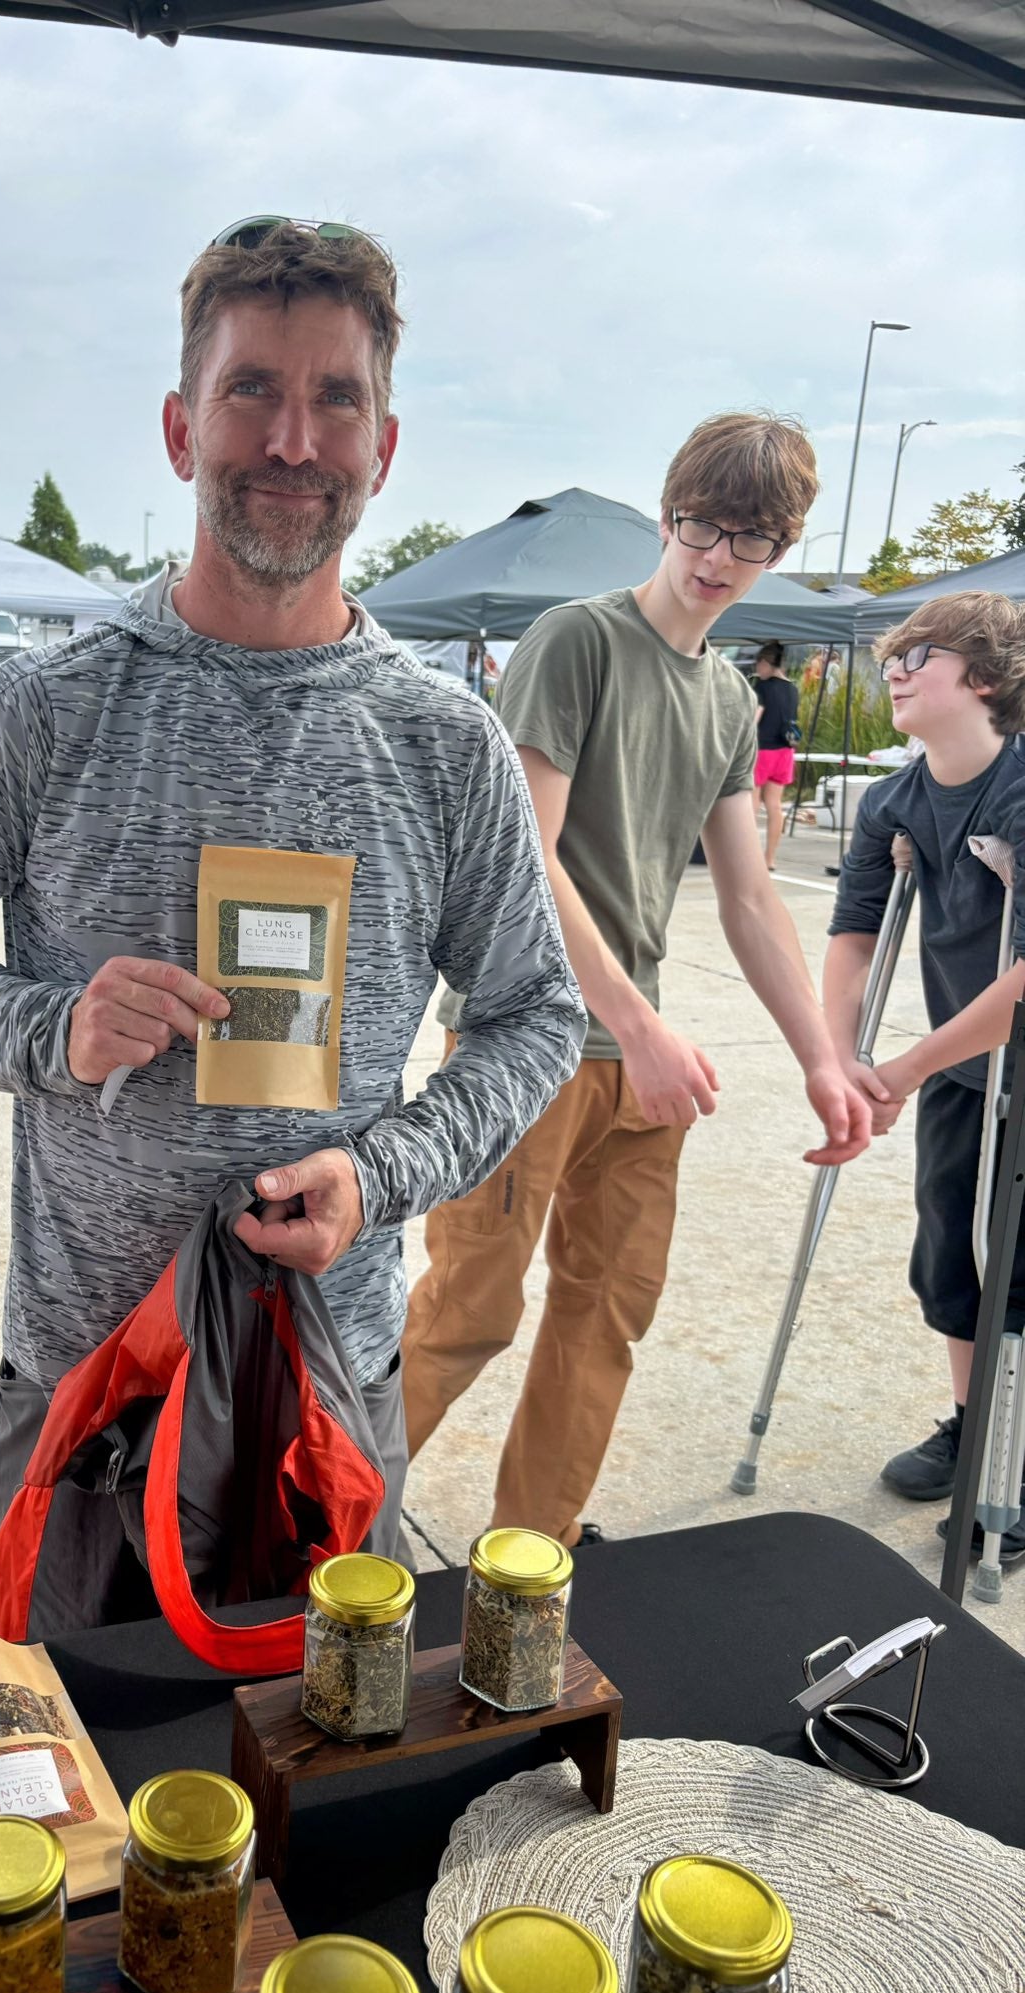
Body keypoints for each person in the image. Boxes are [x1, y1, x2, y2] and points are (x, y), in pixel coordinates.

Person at [0, 218, 585, 1632]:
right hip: (88, 1389)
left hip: (329, 1387)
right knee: (88, 1800)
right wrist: (49, 1027)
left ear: (384, 447)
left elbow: (538, 1015)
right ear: (183, 430)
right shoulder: (47, 707)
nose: (293, 439)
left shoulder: (444, 743)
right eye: (252, 391)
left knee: (316, 1781)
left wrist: (385, 1173)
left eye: (335, 399)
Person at [401, 412, 875, 1550]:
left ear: (781, 547)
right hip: (526, 1039)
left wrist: (823, 1056)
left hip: (638, 1064)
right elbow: (532, 859)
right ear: (667, 515)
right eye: (700, 524)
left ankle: (531, 1558)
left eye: (749, 537)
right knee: (468, 1309)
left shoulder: (728, 699)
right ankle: (302, 1523)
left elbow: (753, 898)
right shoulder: (579, 640)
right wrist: (638, 1028)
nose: (716, 556)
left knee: (605, 1316)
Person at [826, 592, 1025, 1561]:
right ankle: (972, 1423)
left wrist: (904, 1062)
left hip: (1008, 1060)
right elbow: (854, 932)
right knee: (954, 1255)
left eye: (921, 654)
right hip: (961, 1070)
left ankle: (1015, 1463)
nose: (896, 669)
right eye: (893, 656)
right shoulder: (894, 800)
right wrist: (842, 1058)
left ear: (983, 677)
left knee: (1018, 1269)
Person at [751, 640, 800, 870]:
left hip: (762, 751)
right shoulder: (792, 689)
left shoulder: (761, 687)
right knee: (774, 806)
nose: (757, 670)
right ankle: (769, 858)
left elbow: (755, 718)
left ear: (766, 663)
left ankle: (747, 857)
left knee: (750, 806)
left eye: (758, 664)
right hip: (785, 752)